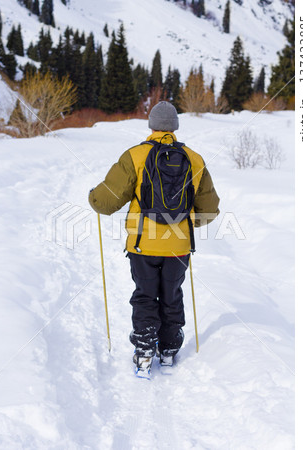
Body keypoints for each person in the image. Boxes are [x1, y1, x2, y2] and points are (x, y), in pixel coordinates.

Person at [89, 101, 220, 373]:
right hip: (179, 247)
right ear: (175, 127)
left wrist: (93, 196)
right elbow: (209, 211)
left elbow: (104, 203)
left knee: (145, 295)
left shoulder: (135, 156)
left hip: (142, 245)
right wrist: (183, 224)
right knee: (172, 294)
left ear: (151, 126)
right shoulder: (194, 159)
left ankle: (145, 348)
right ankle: (170, 349)